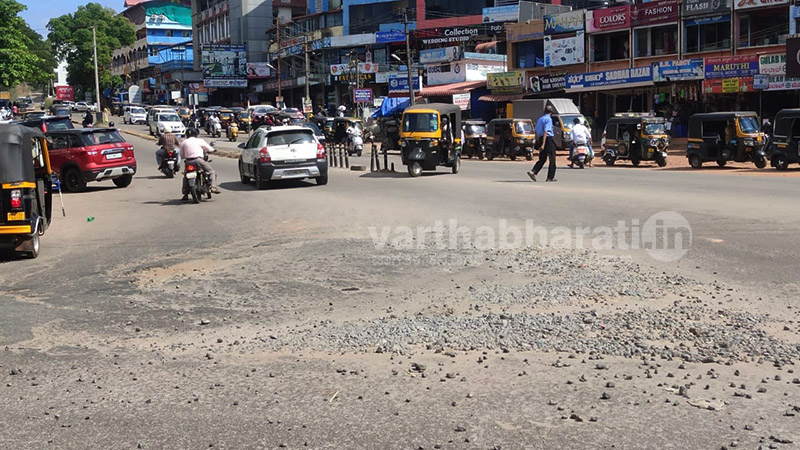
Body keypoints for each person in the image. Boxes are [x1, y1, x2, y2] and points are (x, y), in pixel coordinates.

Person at [179, 128, 220, 200]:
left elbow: (182, 155)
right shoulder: (200, 141)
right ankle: (213, 187)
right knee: (211, 171)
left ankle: (185, 192)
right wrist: (213, 150)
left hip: (188, 161)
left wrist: (185, 157)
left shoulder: (184, 142)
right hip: (199, 160)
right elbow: (209, 149)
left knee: (186, 175)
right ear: (196, 134)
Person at [528, 105, 557, 182]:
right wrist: (543, 144)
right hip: (548, 139)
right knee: (552, 159)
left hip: (541, 138)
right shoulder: (548, 119)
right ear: (551, 112)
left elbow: (536, 131)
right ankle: (550, 177)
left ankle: (534, 171)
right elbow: (545, 131)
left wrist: (539, 142)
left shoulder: (540, 119)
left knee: (542, 158)